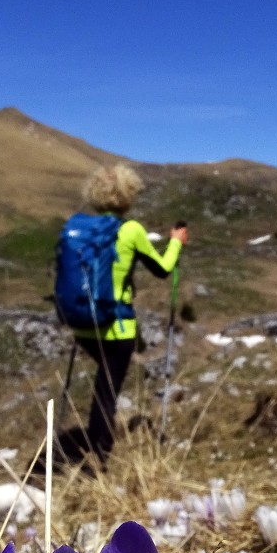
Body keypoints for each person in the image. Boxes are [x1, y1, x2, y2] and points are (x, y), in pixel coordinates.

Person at [62, 163, 187, 467]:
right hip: (117, 329)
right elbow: (162, 268)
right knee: (106, 392)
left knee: (103, 385)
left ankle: (93, 447)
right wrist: (176, 242)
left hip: (83, 326)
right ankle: (100, 459)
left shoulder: (79, 228)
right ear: (128, 195)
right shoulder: (130, 230)